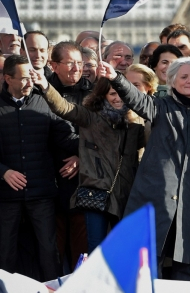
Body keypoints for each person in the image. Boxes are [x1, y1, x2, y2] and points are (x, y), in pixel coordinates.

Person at [98, 57, 190, 281]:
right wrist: (115, 78)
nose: (189, 81)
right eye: (184, 77)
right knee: (150, 260)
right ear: (171, 81)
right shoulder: (160, 105)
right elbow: (137, 99)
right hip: (156, 196)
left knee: (184, 260)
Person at [31, 69, 145, 254]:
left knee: (123, 249)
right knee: (95, 249)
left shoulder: (135, 124)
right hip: (95, 192)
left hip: (124, 194)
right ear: (103, 95)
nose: (117, 98)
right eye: (112, 94)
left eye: (121, 93)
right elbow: (64, 108)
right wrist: (45, 86)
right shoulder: (91, 117)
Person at [0, 55, 78, 280]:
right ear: (8, 78)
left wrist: (86, 150)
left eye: (32, 77)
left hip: (41, 192)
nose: (29, 83)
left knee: (48, 251)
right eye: (23, 78)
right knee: (5, 252)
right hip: (6, 195)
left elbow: (66, 136)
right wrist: (3, 172)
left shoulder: (44, 102)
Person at [50, 41, 93, 269]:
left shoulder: (93, 92)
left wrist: (80, 157)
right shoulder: (42, 92)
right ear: (54, 65)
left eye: (80, 63)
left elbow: (100, 135)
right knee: (52, 255)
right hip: (50, 183)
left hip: (82, 183)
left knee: (81, 255)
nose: (77, 68)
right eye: (70, 63)